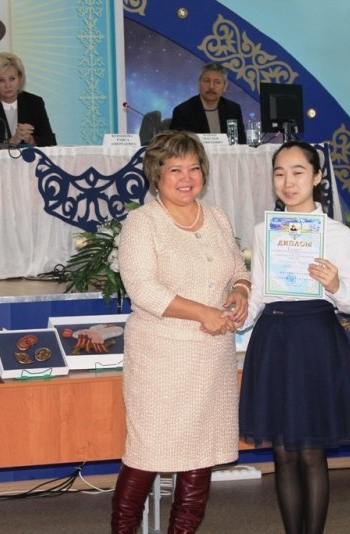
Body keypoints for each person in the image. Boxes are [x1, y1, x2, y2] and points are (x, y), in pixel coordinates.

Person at [111, 130, 251, 532]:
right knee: (146, 455)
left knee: (199, 457)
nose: (186, 178)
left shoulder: (217, 217)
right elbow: (143, 289)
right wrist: (202, 312)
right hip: (161, 360)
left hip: (211, 359)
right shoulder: (142, 223)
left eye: (193, 168)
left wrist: (241, 291)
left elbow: (238, 270)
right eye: (175, 169)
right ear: (157, 174)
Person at [239, 140, 350, 534]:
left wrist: (334, 284)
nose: (288, 182)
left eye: (298, 172)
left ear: (317, 177)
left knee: (312, 453)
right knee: (283, 453)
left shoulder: (336, 234)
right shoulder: (264, 231)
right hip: (274, 341)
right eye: (280, 173)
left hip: (315, 340)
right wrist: (237, 316)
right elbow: (260, 293)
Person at [0, 52, 57, 148]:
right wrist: (12, 141)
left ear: (20, 79)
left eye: (12, 79)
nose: (8, 85)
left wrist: (31, 140)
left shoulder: (34, 103)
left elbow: (50, 141)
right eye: (1, 80)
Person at [169, 63, 246, 144]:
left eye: (217, 82)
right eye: (207, 81)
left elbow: (241, 143)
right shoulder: (183, 111)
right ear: (199, 84)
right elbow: (178, 146)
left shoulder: (233, 109)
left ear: (225, 86)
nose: (211, 86)